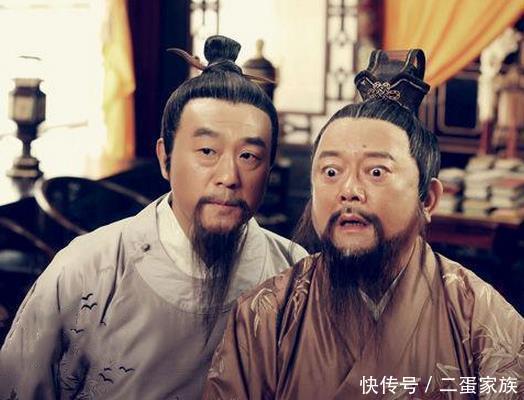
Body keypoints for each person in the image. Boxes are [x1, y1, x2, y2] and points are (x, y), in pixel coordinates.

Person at [202, 50, 524, 399]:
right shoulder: (266, 314)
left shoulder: (480, 318)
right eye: (331, 172)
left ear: (427, 199)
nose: (349, 190)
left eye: (376, 172)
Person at [0, 35, 307, 399]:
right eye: (207, 151)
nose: (229, 176)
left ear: (268, 170)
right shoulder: (86, 270)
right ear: (165, 159)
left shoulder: (295, 275)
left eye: (249, 156)